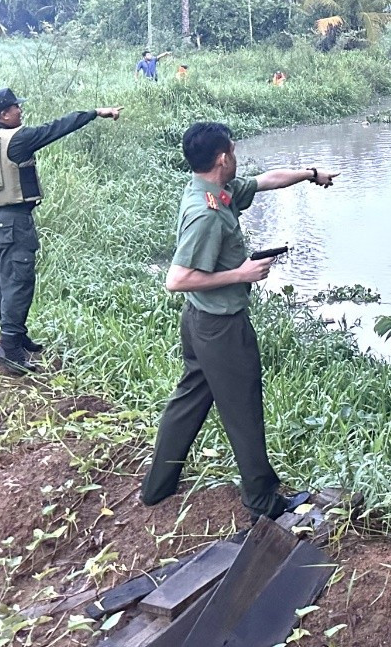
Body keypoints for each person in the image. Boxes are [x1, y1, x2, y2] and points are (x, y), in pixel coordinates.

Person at [140, 121, 338, 522]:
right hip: (222, 327)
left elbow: (268, 180)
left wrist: (311, 175)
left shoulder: (213, 191)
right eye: (233, 150)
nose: (237, 155)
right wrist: (242, 274)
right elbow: (176, 279)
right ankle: (262, 501)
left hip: (199, 321)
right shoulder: (207, 214)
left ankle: (157, 486)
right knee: (243, 410)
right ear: (222, 158)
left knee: (190, 400)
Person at [0, 88, 123, 375]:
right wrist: (96, 112)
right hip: (13, 221)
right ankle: (10, 349)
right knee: (18, 283)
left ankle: (15, 336)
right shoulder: (18, 139)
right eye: (15, 108)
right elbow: (57, 128)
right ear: (3, 114)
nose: (20, 111)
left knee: (1, 283)